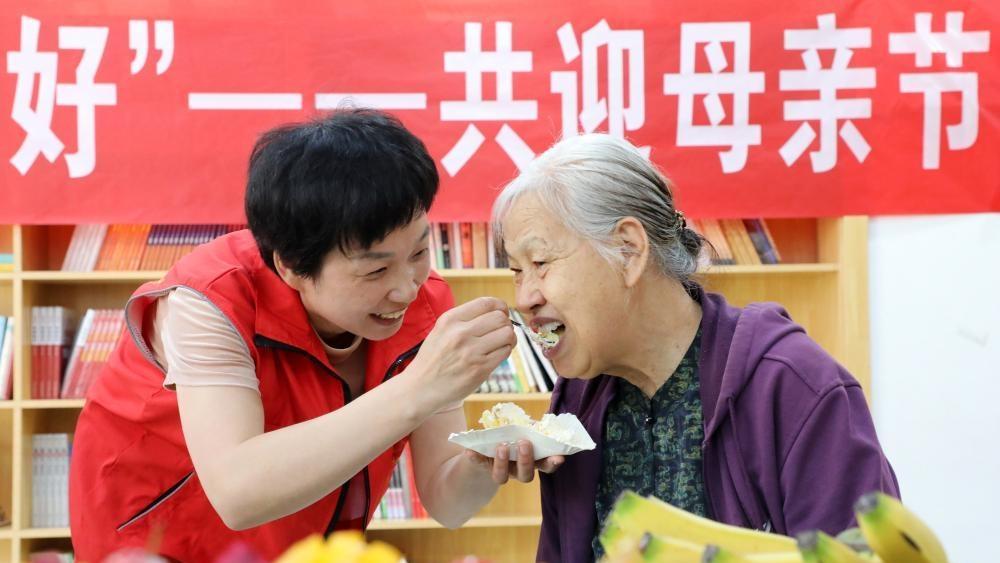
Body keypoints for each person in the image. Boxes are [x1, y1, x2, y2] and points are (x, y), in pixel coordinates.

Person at [69, 109, 527, 561]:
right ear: (290, 266)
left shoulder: (425, 305)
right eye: (376, 270)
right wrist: (421, 386)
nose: (407, 288)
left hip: (300, 542)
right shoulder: (210, 300)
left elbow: (447, 503)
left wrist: (484, 459)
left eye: (420, 252)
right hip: (158, 543)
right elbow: (238, 491)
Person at [490, 134, 900, 562]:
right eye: (517, 271)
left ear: (628, 250)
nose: (524, 298)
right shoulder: (577, 404)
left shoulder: (794, 386)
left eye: (540, 263)